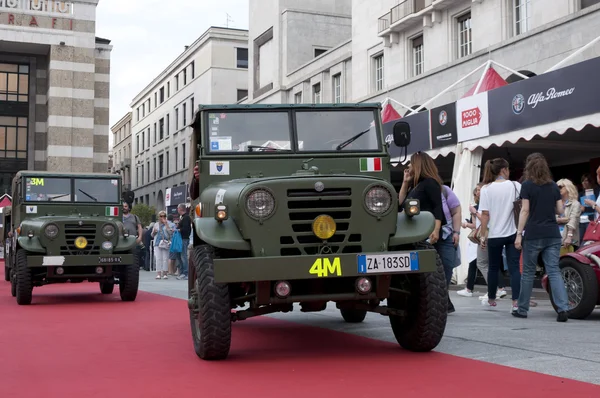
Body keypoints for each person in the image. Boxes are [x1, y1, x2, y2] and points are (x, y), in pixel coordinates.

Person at [513, 153, 569, 322]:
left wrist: (518, 234)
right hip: (552, 233)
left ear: (529, 167)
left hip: (534, 233)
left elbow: (525, 210)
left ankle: (522, 309)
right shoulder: (553, 186)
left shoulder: (527, 186)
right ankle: (563, 308)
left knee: (528, 272)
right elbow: (560, 211)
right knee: (553, 270)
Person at [398, 152, 450, 311]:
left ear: (419, 165)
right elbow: (400, 203)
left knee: (430, 269)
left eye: (411, 164)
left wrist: (436, 230)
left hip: (428, 230)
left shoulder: (430, 183)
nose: (408, 167)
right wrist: (405, 183)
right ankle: (445, 303)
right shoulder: (417, 185)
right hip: (417, 231)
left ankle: (443, 303)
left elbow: (437, 207)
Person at [478, 158, 522, 310]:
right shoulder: (516, 185)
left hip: (494, 234)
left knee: (493, 267)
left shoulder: (486, 189)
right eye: (508, 169)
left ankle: (491, 298)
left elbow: (485, 214)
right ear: (504, 170)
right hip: (513, 233)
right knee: (514, 268)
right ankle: (516, 301)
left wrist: (483, 235)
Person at [556, 178, 581, 250]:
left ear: (568, 188)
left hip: (569, 239)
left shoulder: (575, 204)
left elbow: (573, 220)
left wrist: (569, 237)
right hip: (555, 239)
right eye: (556, 187)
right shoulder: (555, 203)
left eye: (560, 187)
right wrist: (565, 219)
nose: (558, 189)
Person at [152, 211, 173, 279]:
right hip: (157, 243)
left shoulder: (168, 224)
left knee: (165, 258)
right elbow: (152, 235)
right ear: (158, 217)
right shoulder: (156, 224)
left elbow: (170, 233)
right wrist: (154, 232)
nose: (162, 217)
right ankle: (158, 273)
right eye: (161, 216)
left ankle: (165, 273)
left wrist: (166, 224)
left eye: (164, 216)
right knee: (158, 258)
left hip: (165, 243)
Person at [122, 202, 143, 267]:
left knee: (133, 257)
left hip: (132, 240)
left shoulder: (134, 217)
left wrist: (140, 237)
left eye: (126, 206)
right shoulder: (118, 216)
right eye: (123, 206)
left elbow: (139, 227)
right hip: (121, 240)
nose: (124, 208)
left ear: (129, 208)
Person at [174, 203, 191, 280]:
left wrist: (178, 230)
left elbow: (186, 229)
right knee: (179, 255)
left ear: (180, 209)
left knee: (183, 255)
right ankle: (181, 272)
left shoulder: (186, 218)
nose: (177, 210)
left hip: (184, 238)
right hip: (180, 238)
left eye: (178, 208)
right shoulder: (183, 218)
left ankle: (185, 273)